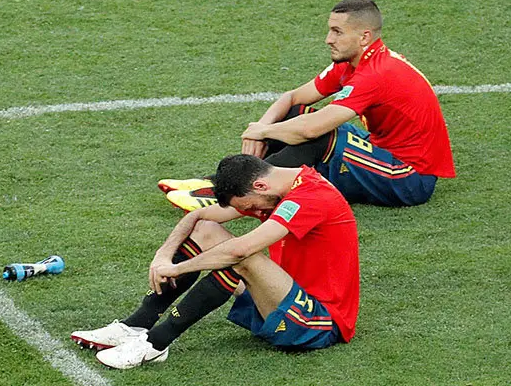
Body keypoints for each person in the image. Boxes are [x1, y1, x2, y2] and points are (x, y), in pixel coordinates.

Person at [165, 0, 455, 209]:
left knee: (319, 136)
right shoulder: (354, 62)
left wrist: (260, 132)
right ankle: (224, 181)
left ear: (364, 36)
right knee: (294, 114)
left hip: (409, 177)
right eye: (330, 30)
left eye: (337, 32)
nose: (328, 39)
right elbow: (291, 98)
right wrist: (264, 126)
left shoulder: (376, 74)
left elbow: (310, 131)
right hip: (383, 149)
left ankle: (233, 194)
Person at [73, 154, 359, 369]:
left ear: (259, 186)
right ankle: (136, 325)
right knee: (206, 231)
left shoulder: (311, 197)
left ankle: (154, 344)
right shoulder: (273, 190)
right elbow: (197, 217)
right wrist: (162, 255)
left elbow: (239, 250)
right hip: (280, 299)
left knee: (242, 256)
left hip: (318, 322)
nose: (250, 212)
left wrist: (177, 268)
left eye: (247, 207)